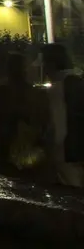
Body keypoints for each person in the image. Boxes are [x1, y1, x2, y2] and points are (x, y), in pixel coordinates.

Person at [0, 52, 47, 179]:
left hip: (5, 150)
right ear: (24, 70)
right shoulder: (36, 93)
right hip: (30, 150)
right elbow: (43, 121)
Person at [40, 43, 84, 187]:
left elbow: (58, 132)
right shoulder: (79, 82)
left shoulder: (57, 90)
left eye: (44, 63)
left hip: (69, 156)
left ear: (51, 65)